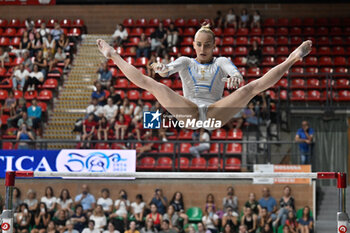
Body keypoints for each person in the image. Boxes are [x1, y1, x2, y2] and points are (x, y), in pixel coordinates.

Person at [97, 26, 312, 130]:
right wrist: (161, 68)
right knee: (155, 86)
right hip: (188, 114)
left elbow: (234, 73)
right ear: (193, 45)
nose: (202, 48)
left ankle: (292, 59)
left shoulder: (221, 61)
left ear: (214, 46)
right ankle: (113, 55)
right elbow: (165, 71)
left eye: (207, 45)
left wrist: (236, 78)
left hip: (214, 114)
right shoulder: (185, 61)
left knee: (250, 90)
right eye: (198, 44)